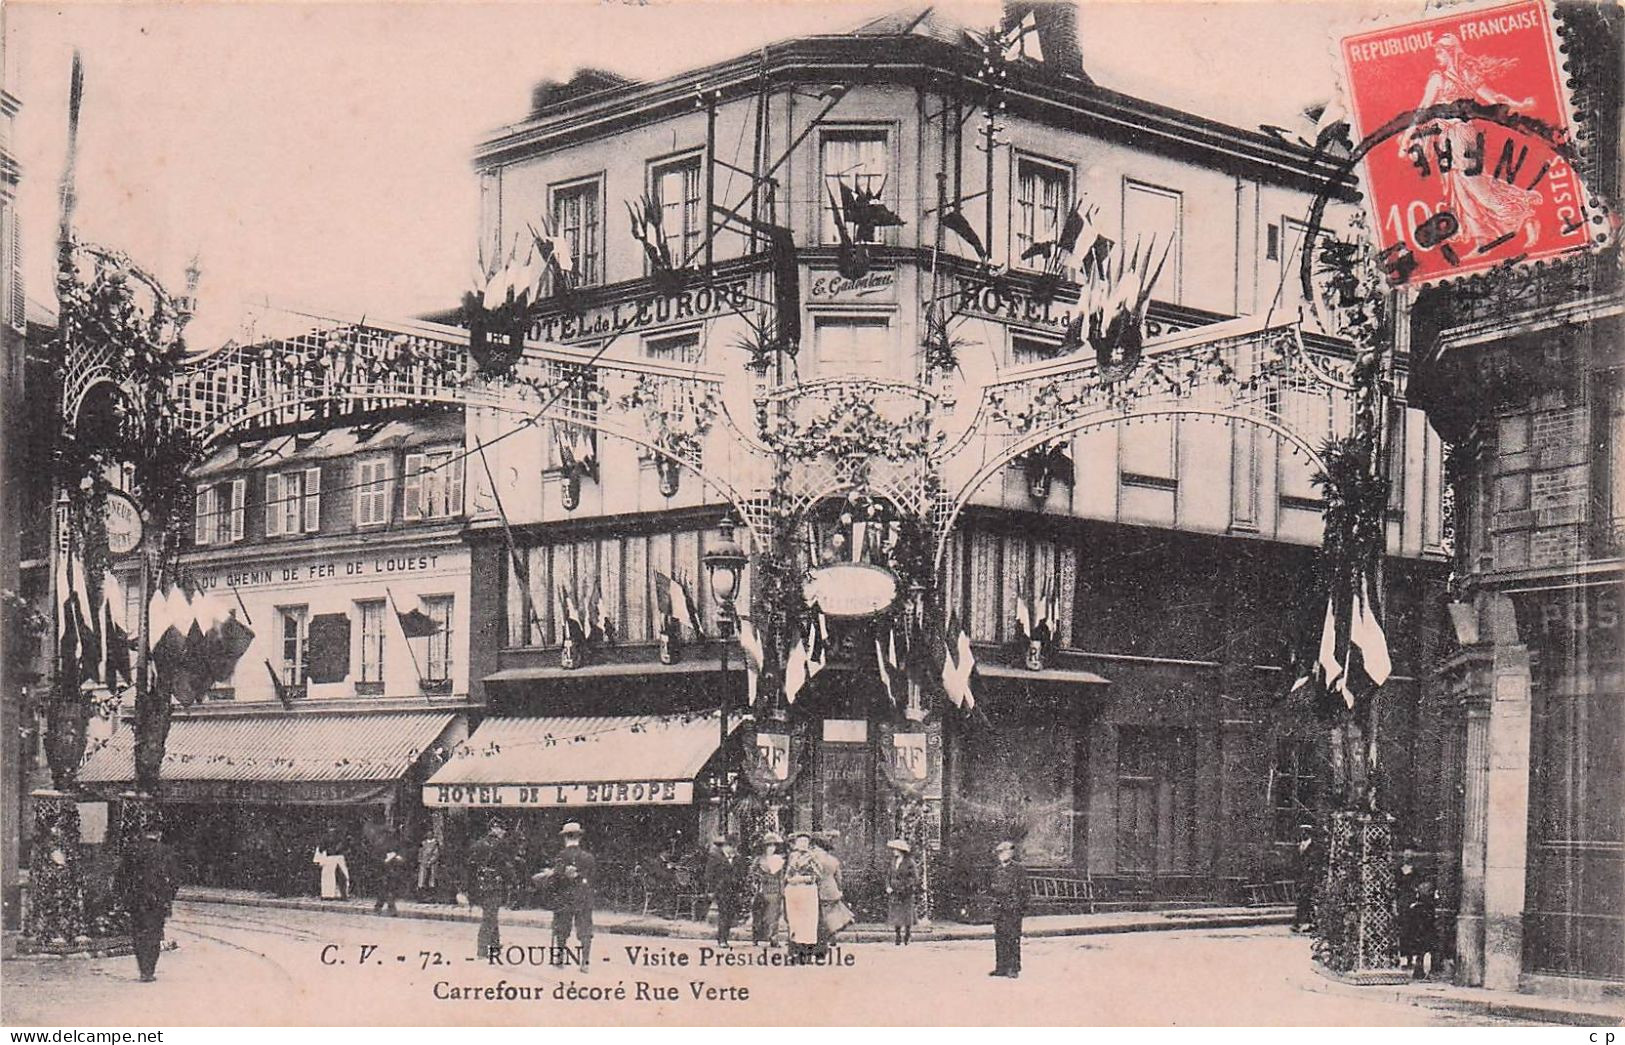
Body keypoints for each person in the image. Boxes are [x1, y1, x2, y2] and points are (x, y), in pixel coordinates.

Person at [1398, 33, 1542, 250]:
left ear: (1450, 52)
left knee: (1477, 188)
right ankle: (1481, 238)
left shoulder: (1464, 75)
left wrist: (1518, 105)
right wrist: (1408, 136)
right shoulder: (1440, 78)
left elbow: (1492, 99)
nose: (1437, 57)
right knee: (1461, 190)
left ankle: (1524, 215)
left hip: (1463, 135)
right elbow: (1423, 110)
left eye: (1440, 52)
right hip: (1446, 138)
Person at [116, 826, 182, 982]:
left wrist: (123, 898)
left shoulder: (132, 850)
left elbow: (120, 877)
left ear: (143, 834)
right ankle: (149, 970)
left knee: (139, 933)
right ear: (158, 834)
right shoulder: (166, 851)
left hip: (137, 900)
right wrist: (169, 897)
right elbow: (175, 878)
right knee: (154, 933)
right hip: (158, 901)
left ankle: (143, 968)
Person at [535, 821, 597, 972]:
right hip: (583, 897)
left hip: (564, 897)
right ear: (579, 838)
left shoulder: (561, 856)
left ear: (565, 838)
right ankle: (585, 963)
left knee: (561, 928)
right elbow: (594, 878)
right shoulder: (588, 857)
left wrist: (550, 875)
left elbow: (556, 878)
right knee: (585, 930)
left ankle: (560, 959)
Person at [463, 820, 513, 959]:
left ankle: (495, 945)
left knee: (490, 914)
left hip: (481, 885)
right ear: (494, 828)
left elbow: (470, 865)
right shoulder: (500, 845)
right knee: (489, 917)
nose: (504, 832)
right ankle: (482, 950)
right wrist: (512, 880)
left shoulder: (478, 844)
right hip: (494, 885)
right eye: (502, 829)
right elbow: (505, 866)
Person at [989, 840, 1027, 978]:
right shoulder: (996, 870)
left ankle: (1013, 968)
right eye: (1000, 852)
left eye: (1004, 851)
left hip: (1013, 909)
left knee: (1013, 938)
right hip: (999, 909)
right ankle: (1001, 967)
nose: (1001, 855)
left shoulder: (1018, 869)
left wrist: (1019, 907)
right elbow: (992, 889)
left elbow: (1024, 891)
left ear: (1010, 853)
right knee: (1000, 938)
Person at [782, 832, 822, 959]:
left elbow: (819, 875)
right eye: (800, 841)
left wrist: (803, 879)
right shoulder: (792, 856)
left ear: (809, 844)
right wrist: (789, 880)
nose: (802, 844)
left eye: (805, 842)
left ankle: (807, 953)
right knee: (795, 922)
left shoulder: (813, 856)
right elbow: (787, 874)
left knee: (808, 922)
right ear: (796, 843)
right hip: (794, 891)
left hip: (808, 890)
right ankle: (794, 952)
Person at [811, 831, 850, 956]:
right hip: (832, 889)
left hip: (819, 889)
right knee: (831, 914)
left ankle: (823, 939)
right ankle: (831, 937)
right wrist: (839, 889)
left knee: (821, 917)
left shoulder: (814, 859)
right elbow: (839, 878)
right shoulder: (833, 860)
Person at [704, 835, 741, 947]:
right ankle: (722, 939)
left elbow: (740, 874)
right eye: (731, 847)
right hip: (721, 890)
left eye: (734, 847)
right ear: (726, 846)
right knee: (723, 913)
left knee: (730, 914)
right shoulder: (715, 857)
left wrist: (740, 889)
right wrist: (710, 890)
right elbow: (709, 875)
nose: (733, 850)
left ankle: (725, 936)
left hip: (733, 890)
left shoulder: (737, 859)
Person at [750, 832, 786, 948]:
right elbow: (752, 874)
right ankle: (756, 937)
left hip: (774, 889)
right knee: (759, 914)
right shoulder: (759, 860)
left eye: (773, 846)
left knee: (774, 915)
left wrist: (782, 891)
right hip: (762, 889)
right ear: (764, 847)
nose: (771, 848)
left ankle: (773, 938)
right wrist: (757, 879)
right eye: (769, 845)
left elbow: (781, 876)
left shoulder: (779, 860)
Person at [884, 838, 917, 946]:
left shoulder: (909, 862)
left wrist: (904, 888)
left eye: (896, 849)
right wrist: (888, 886)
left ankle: (907, 934)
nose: (894, 851)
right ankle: (897, 936)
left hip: (905, 893)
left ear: (901, 850)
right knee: (896, 914)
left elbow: (914, 878)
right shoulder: (893, 861)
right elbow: (888, 875)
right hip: (894, 892)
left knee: (906, 915)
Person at [1403, 879, 1438, 979]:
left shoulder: (1415, 906)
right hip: (1426, 930)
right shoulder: (1429, 906)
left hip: (1419, 931)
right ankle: (1427, 970)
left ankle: (1420, 970)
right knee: (1428, 950)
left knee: (1421, 951)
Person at [374, 832, 410, 916]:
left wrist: (396, 858)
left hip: (393, 871)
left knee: (388, 890)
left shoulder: (397, 847)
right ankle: (389, 908)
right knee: (387, 889)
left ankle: (380, 906)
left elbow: (402, 859)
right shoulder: (382, 847)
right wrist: (387, 860)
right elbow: (379, 859)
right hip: (385, 871)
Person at [1293, 823, 1320, 933]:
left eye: (1304, 831)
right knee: (1303, 900)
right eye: (1301, 832)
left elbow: (1314, 862)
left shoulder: (1314, 847)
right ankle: (1305, 923)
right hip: (1302, 877)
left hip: (1310, 878)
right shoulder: (1300, 845)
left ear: (1309, 833)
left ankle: (1302, 923)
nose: (1302, 834)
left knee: (1306, 900)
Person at [416, 831, 442, 899]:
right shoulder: (423, 843)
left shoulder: (435, 843)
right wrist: (420, 860)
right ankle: (421, 892)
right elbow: (420, 852)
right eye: (428, 834)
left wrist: (431, 861)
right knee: (422, 876)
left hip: (432, 863)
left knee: (432, 877)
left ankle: (432, 892)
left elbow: (436, 854)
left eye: (430, 834)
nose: (429, 835)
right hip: (423, 863)